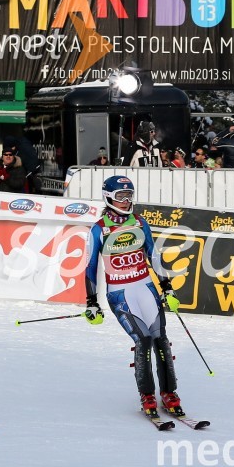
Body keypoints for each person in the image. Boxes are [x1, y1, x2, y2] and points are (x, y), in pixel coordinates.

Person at [83, 175, 184, 417]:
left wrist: (166, 287)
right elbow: (90, 266)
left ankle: (169, 393)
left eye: (129, 195)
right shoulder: (99, 229)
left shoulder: (139, 222)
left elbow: (153, 255)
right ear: (108, 197)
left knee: (160, 338)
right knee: (143, 339)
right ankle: (147, 395)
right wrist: (91, 302)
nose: (127, 201)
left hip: (146, 287)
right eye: (121, 196)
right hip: (120, 292)